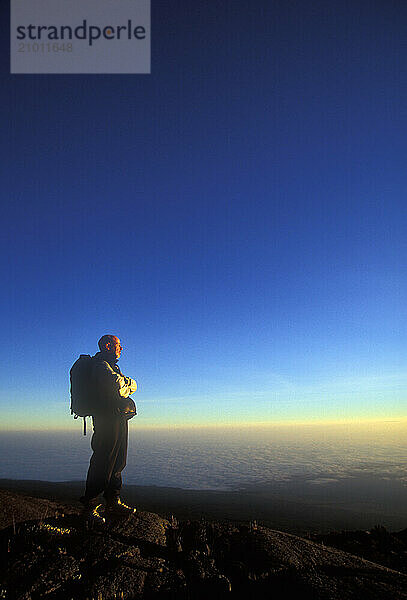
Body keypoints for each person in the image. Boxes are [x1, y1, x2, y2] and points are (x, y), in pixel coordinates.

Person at [80, 334, 137, 525]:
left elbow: (130, 386)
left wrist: (126, 384)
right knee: (103, 461)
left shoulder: (112, 366)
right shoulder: (100, 366)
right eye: (119, 345)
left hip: (118, 418)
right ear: (107, 346)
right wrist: (126, 383)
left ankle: (113, 500)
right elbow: (118, 386)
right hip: (106, 419)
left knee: (119, 460)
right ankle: (90, 507)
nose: (121, 348)